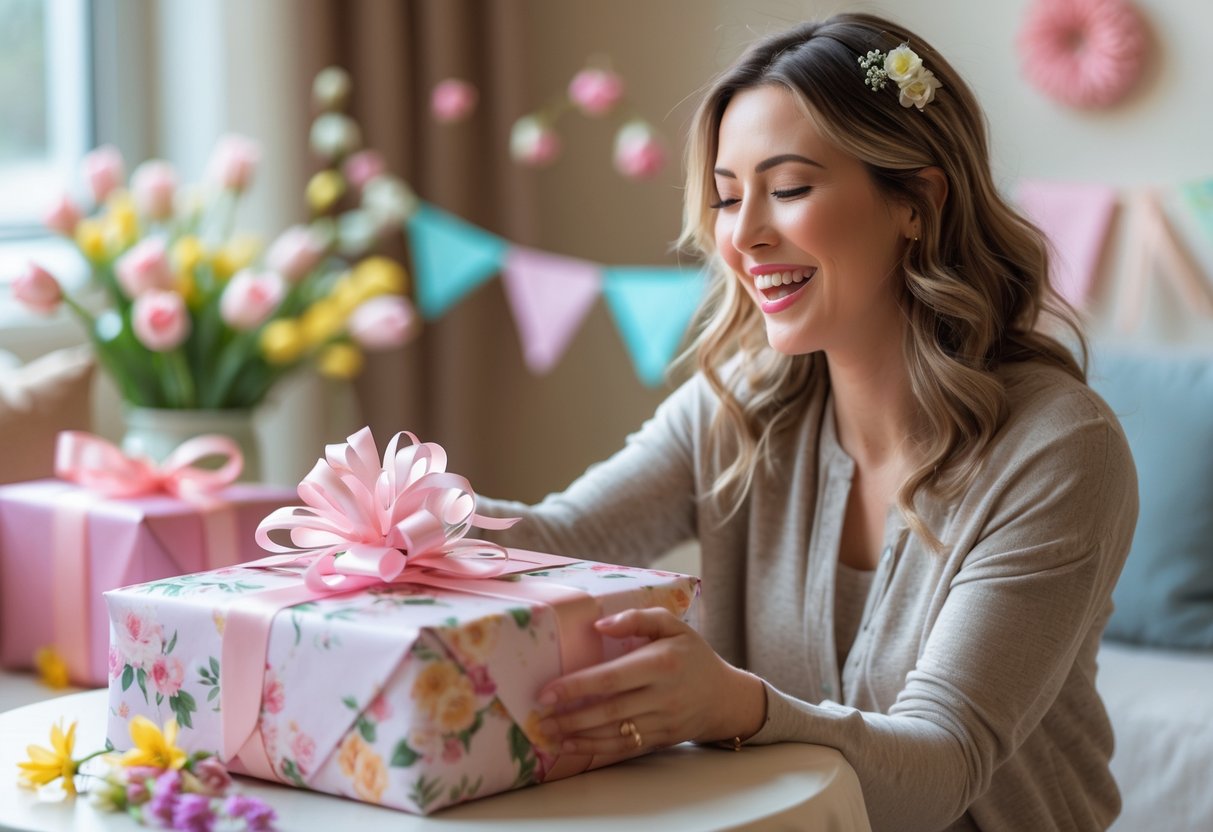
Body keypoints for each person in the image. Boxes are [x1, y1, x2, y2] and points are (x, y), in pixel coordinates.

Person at [479, 12, 1137, 832]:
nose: (742, 236)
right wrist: (407, 517)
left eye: (788, 189)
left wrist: (733, 706)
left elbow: (940, 768)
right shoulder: (740, 404)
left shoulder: (1059, 450)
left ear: (917, 201)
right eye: (725, 198)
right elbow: (557, 538)